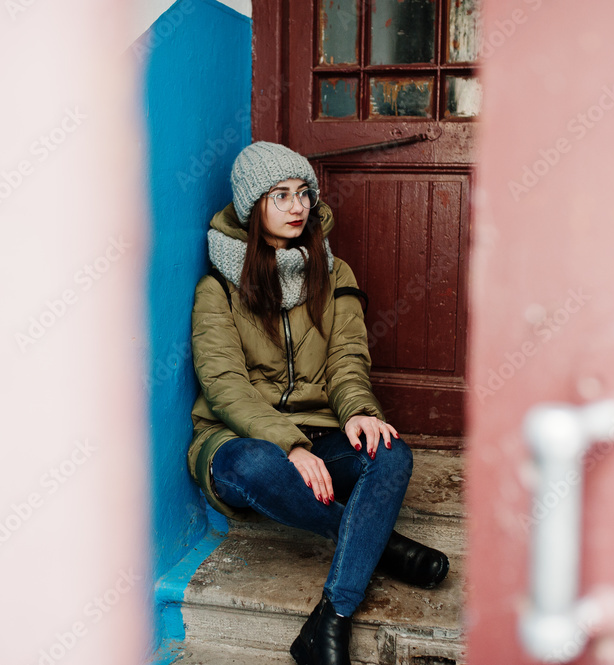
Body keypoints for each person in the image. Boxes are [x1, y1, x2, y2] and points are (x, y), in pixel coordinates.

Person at [187, 141, 449, 665]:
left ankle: (330, 619)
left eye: (303, 192)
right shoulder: (218, 287)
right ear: (251, 206)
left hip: (322, 431)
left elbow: (347, 360)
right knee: (256, 463)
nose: (297, 206)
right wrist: (289, 445)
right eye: (280, 195)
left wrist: (357, 411)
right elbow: (224, 386)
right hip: (238, 440)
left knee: (391, 452)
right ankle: (382, 544)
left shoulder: (334, 272)